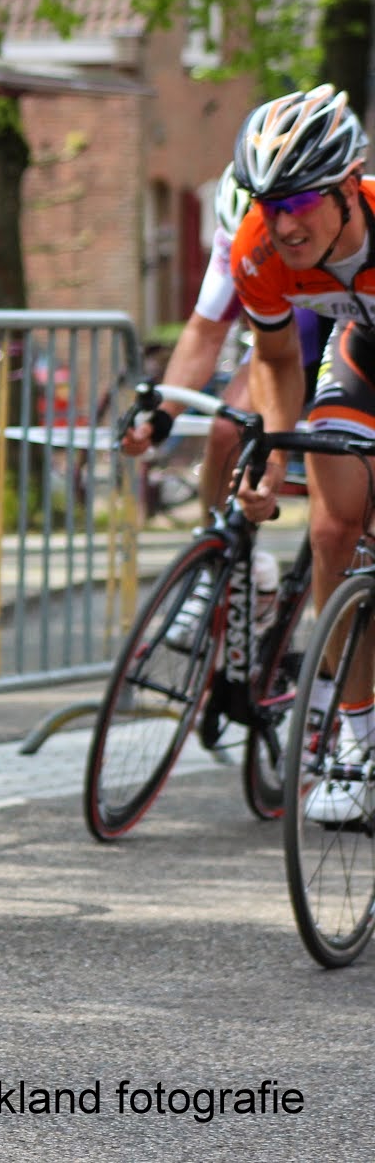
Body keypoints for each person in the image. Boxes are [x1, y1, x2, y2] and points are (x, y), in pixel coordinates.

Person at [228, 83, 374, 822]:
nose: (281, 224)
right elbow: (278, 360)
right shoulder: (257, 245)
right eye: (266, 202)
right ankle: (358, 745)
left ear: (350, 186)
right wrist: (274, 455)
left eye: (299, 202)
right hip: (359, 349)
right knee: (329, 531)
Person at [120, 164, 329, 645]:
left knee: (338, 485)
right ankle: (227, 558)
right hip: (280, 352)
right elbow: (205, 331)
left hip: (341, 345)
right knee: (225, 430)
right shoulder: (237, 243)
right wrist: (162, 416)